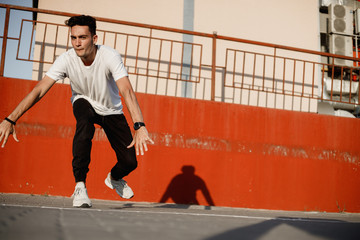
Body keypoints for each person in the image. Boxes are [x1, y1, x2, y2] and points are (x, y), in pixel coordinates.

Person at [0, 15, 154, 208]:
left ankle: (114, 178)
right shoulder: (66, 59)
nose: (77, 43)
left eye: (83, 37)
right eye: (73, 38)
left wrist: (139, 125)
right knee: (84, 122)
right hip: (84, 101)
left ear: (94, 39)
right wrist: (10, 119)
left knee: (130, 162)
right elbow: (40, 89)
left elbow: (126, 90)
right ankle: (80, 185)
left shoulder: (109, 56)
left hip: (111, 110)